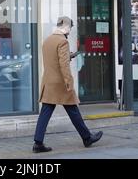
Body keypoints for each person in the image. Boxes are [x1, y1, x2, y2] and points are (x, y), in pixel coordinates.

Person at [32, 16, 103, 153]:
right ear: (65, 26)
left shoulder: (48, 40)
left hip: (48, 82)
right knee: (73, 110)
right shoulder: (62, 41)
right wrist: (69, 81)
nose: (70, 30)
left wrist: (68, 55)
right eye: (70, 27)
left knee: (46, 112)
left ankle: (38, 142)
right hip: (60, 83)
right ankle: (87, 138)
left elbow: (53, 60)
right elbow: (63, 65)